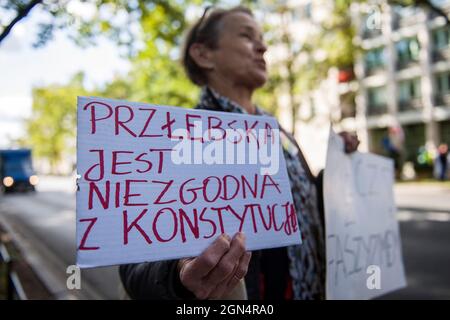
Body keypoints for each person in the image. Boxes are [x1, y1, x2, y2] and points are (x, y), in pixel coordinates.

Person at [119, 5, 359, 300]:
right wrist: (178, 278)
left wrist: (338, 169)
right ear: (203, 54)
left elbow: (305, 210)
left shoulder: (278, 132)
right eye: (247, 37)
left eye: (262, 37)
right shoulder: (178, 139)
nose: (263, 47)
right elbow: (136, 265)